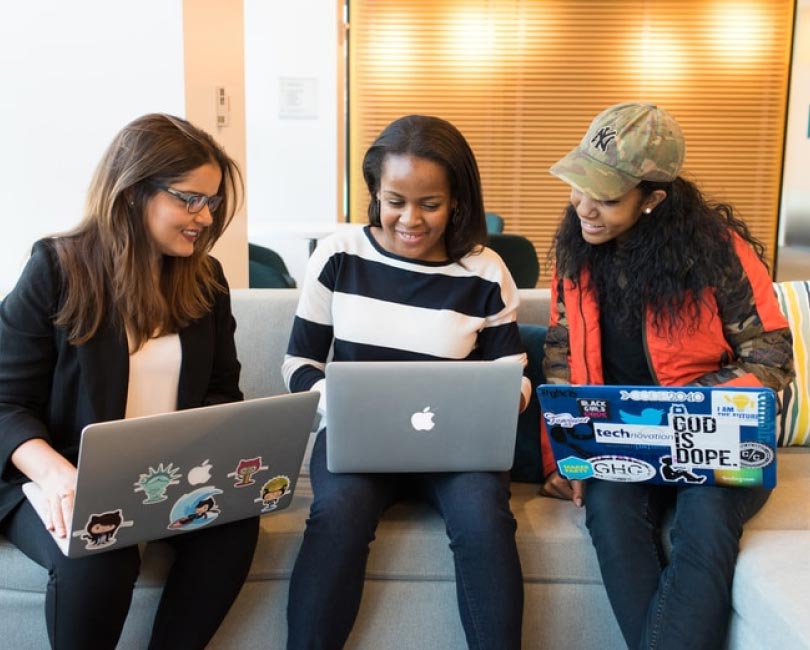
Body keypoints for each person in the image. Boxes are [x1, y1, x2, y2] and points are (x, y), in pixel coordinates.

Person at [539, 102, 795, 649]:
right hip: (623, 442)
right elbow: (561, 356)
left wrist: (682, 408)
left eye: (605, 197)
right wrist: (565, 457)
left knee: (702, 524)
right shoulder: (574, 255)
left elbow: (770, 356)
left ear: (653, 199)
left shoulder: (719, 255)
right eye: (578, 185)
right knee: (608, 513)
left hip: (720, 441)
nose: (584, 206)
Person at [0, 113, 260, 650]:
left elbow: (221, 394)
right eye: (190, 199)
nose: (205, 217)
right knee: (102, 546)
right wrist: (57, 476)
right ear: (134, 191)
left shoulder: (205, 281)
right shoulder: (56, 268)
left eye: (211, 202)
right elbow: (5, 401)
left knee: (234, 529)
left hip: (165, 476)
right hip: (56, 479)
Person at [282, 114, 530, 650]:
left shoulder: (485, 272)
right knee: (336, 517)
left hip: (458, 448)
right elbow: (299, 363)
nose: (410, 220)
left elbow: (512, 371)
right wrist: (338, 402)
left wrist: (508, 395)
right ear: (375, 194)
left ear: (458, 200)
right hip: (357, 442)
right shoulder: (339, 255)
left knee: (485, 521)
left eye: (430, 204)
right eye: (395, 201)